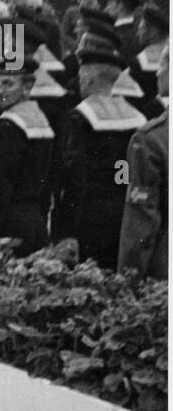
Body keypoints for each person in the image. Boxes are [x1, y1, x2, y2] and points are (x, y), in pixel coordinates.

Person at [52, 30, 148, 269]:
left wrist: (65, 230)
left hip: (88, 219)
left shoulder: (80, 117)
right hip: (124, 216)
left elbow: (75, 178)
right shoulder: (136, 117)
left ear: (88, 79)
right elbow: (125, 171)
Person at [0, 50, 53, 256]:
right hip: (36, 223)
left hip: (7, 226)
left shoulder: (7, 126)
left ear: (27, 87)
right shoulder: (40, 121)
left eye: (8, 84)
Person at [118, 47, 169, 279]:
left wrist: (128, 279)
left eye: (164, 65)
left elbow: (140, 222)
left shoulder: (152, 138)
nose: (158, 73)